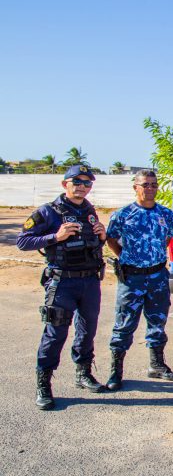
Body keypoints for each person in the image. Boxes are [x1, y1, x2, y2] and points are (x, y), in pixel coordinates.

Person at [17, 164, 107, 410]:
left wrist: (101, 236)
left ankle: (83, 372)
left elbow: (92, 246)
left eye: (87, 183)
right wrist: (55, 237)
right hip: (62, 282)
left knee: (87, 330)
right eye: (76, 182)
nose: (82, 187)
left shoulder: (89, 211)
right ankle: (44, 383)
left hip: (89, 281)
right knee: (55, 333)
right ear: (64, 184)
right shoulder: (48, 212)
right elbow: (22, 241)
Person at [104, 169, 173, 391]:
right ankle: (116, 371)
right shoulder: (122, 214)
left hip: (157, 275)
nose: (150, 189)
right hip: (132, 278)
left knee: (158, 321)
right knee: (124, 324)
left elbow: (167, 239)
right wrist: (128, 257)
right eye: (145, 185)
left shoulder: (165, 214)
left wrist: (151, 258)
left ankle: (156, 365)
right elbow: (111, 239)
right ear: (135, 187)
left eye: (153, 185)